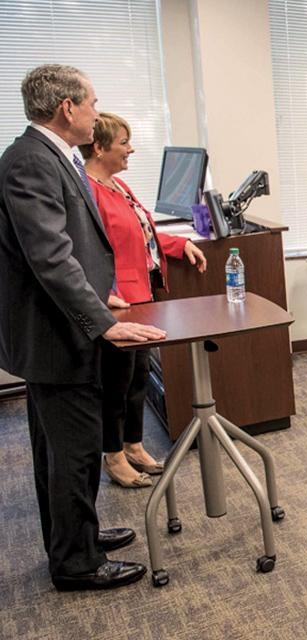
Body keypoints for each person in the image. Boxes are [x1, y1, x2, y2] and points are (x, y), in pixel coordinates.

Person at [0, 65, 167, 590]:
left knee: (60, 451)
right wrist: (102, 322)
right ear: (67, 108)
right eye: (92, 102)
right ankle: (77, 563)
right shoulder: (30, 162)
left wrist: (102, 293)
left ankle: (78, 539)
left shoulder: (51, 157)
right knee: (71, 453)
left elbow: (70, 244)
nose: (97, 111)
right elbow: (48, 255)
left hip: (60, 328)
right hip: (56, 336)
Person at [79, 113, 207, 488]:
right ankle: (113, 456)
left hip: (142, 295)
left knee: (136, 378)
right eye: (124, 142)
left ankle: (133, 445)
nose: (130, 148)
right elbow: (86, 250)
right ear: (100, 148)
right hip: (117, 303)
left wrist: (180, 244)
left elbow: (143, 232)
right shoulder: (87, 191)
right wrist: (101, 294)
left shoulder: (117, 185)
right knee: (115, 383)